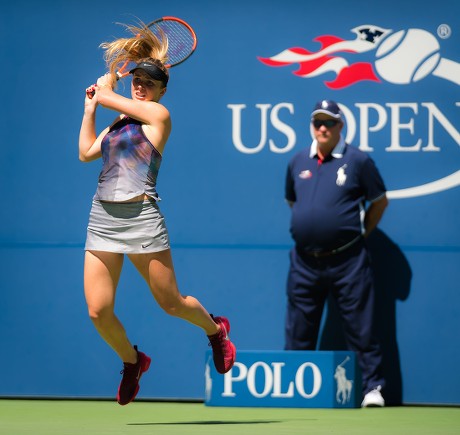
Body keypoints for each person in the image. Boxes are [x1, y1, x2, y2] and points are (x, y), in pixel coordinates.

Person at [78, 21, 236, 406]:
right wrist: (90, 108)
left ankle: (214, 330)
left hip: (142, 219)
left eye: (148, 82)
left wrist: (105, 91)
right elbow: (85, 152)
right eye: (137, 79)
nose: (140, 85)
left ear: (162, 90)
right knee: (99, 312)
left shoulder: (158, 118)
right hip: (102, 218)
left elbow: (110, 96)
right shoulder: (118, 122)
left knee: (170, 303)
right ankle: (133, 361)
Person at [284, 99, 388, 407]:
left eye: (329, 122)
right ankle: (294, 388)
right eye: (317, 122)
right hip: (304, 260)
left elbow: (379, 202)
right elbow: (294, 202)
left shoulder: (359, 161)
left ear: (340, 127)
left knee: (361, 327)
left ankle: (373, 388)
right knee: (299, 328)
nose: (322, 128)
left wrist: (357, 235)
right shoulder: (297, 161)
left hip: (348, 260)